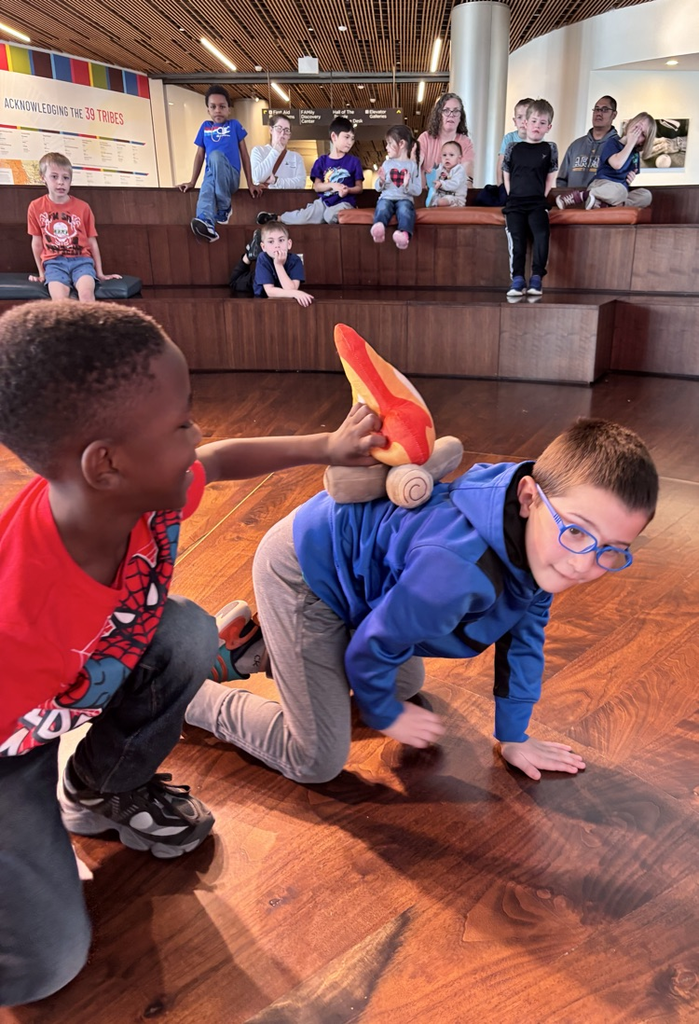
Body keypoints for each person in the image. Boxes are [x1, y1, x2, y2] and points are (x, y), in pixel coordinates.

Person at [0, 300, 383, 1006]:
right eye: (179, 423)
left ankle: (97, 790)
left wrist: (325, 446)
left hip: (75, 688)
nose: (196, 435)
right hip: (7, 752)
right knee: (47, 966)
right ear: (105, 463)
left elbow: (218, 458)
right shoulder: (21, 615)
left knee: (186, 633)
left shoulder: (139, 494)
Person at [186, 417, 658, 788]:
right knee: (314, 758)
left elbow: (524, 642)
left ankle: (257, 647)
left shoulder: (541, 546)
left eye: (610, 550)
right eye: (577, 530)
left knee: (406, 679)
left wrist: (514, 738)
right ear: (529, 497)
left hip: (355, 580)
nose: (584, 563)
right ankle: (184, 691)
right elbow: (372, 649)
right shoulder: (455, 569)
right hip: (304, 573)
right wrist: (385, 715)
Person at [27, 152, 121, 301]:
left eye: (66, 178)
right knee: (60, 300)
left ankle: (90, 325)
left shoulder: (83, 207)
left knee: (86, 295)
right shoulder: (35, 206)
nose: (60, 182)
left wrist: (100, 272)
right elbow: (37, 243)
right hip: (54, 263)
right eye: (54, 176)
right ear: (43, 177)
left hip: (81, 261)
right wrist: (41, 273)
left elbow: (91, 242)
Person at [177, 86, 262, 243]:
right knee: (206, 187)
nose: (218, 110)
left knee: (215, 156)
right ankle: (206, 222)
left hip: (230, 176)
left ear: (229, 109)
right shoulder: (205, 127)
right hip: (212, 175)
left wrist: (250, 183)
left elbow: (244, 154)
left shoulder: (234, 125)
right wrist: (192, 182)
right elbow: (200, 155)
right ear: (208, 110)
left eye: (222, 106)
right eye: (213, 107)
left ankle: (224, 207)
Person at [257, 117, 363, 226]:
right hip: (324, 202)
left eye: (352, 138)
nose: (350, 142)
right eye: (346, 137)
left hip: (345, 203)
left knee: (329, 215)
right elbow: (317, 186)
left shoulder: (354, 161)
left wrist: (347, 190)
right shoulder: (321, 161)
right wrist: (333, 186)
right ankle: (277, 218)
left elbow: (359, 188)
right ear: (334, 136)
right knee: (303, 216)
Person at [502, 99, 558, 299]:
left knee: (542, 235)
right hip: (515, 203)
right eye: (534, 121)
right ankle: (517, 278)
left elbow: (551, 176)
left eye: (542, 123)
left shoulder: (550, 148)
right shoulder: (513, 148)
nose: (537, 126)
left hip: (537, 203)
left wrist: (540, 197)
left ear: (548, 127)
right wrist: (512, 195)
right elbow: (506, 173)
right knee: (517, 240)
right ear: (525, 122)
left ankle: (536, 277)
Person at [557, 112, 655, 211]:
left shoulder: (635, 154)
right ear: (629, 124)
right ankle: (583, 195)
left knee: (646, 195)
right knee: (621, 191)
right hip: (601, 185)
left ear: (643, 142)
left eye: (642, 134)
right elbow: (617, 164)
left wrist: (631, 177)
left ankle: (603, 204)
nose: (636, 135)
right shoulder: (613, 143)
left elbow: (629, 174)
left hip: (617, 192)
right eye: (636, 128)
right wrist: (630, 143)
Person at [371, 125, 422, 250]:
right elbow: (378, 188)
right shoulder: (387, 164)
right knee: (382, 206)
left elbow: (418, 190)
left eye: (389, 143)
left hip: (405, 199)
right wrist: (381, 181)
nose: (386, 147)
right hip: (387, 197)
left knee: (405, 209)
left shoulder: (413, 166)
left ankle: (404, 235)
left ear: (401, 143)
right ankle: (379, 227)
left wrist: (407, 185)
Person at [556, 95, 620, 191]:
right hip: (571, 203)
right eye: (596, 109)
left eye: (604, 110)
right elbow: (562, 180)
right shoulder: (575, 146)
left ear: (614, 115)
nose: (599, 113)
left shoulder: (619, 147)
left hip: (602, 204)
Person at [417, 93, 475, 195]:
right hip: (426, 199)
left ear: (461, 116)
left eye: (456, 111)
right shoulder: (425, 138)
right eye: (446, 110)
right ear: (439, 115)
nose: (451, 114)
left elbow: (466, 179)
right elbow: (414, 164)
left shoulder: (465, 142)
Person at [254, 222, 313, 306]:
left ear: (289, 244)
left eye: (281, 240)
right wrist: (295, 293)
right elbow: (270, 292)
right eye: (271, 242)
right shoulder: (262, 258)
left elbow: (292, 289)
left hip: (280, 292)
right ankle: (248, 255)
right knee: (236, 281)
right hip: (251, 283)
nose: (277, 245)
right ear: (263, 247)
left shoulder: (295, 260)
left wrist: (279, 265)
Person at [251, 114, 307, 190]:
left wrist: (276, 181)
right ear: (271, 130)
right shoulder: (258, 151)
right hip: (264, 199)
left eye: (286, 130)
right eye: (279, 128)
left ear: (289, 136)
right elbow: (258, 177)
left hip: (288, 200)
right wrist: (275, 151)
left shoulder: (296, 157)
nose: (282, 133)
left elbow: (301, 184)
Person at [496, 97, 534, 185]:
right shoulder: (509, 138)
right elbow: (500, 164)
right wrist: (500, 185)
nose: (523, 121)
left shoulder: (539, 141)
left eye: (527, 117)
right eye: (519, 117)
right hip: (511, 184)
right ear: (515, 121)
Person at [426, 141, 468, 208]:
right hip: (441, 195)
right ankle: (434, 202)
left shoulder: (459, 170)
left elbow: (455, 184)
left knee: (441, 202)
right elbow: (435, 179)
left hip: (455, 198)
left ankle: (438, 203)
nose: (447, 158)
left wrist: (441, 184)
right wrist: (431, 174)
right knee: (433, 199)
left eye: (451, 155)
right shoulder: (441, 168)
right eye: (444, 155)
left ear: (459, 158)